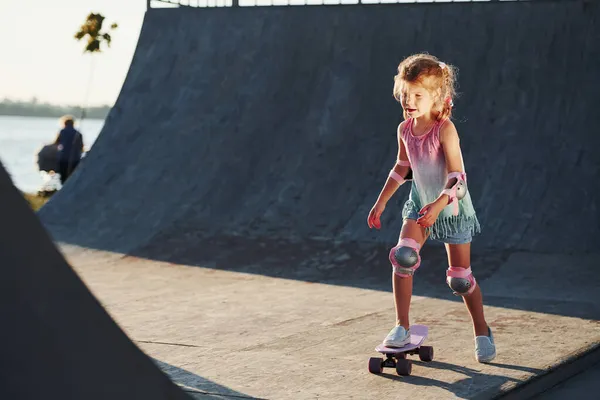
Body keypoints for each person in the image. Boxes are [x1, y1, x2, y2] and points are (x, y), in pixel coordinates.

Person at [367, 53, 496, 363]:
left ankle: (481, 330)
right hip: (419, 204)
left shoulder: (445, 130)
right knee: (403, 256)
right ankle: (401, 326)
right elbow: (403, 167)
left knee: (459, 279)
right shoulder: (404, 129)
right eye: (405, 95)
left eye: (417, 95)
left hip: (450, 208)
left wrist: (439, 205)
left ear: (436, 96)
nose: (408, 102)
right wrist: (381, 201)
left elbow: (459, 181)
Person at [54, 115, 84, 185]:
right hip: (75, 158)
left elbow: (56, 142)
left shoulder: (62, 132)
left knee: (63, 177)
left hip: (63, 157)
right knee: (73, 177)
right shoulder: (78, 133)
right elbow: (81, 146)